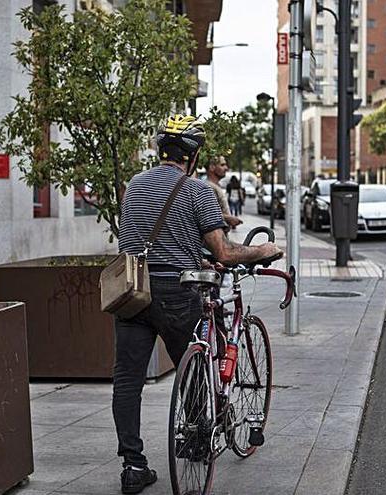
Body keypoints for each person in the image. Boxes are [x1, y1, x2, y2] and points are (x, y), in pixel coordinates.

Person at [113, 115, 282, 494]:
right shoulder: (197, 191)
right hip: (176, 292)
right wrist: (262, 250)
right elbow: (224, 249)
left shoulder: (134, 186)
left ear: (163, 152)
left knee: (127, 380)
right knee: (195, 368)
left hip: (132, 289)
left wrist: (194, 255)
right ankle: (194, 438)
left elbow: (145, 239)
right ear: (192, 157)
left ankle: (133, 465)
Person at [206, 156, 243, 231]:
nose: (226, 168)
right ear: (212, 167)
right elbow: (208, 215)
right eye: (222, 165)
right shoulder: (209, 187)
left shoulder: (215, 186)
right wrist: (228, 218)